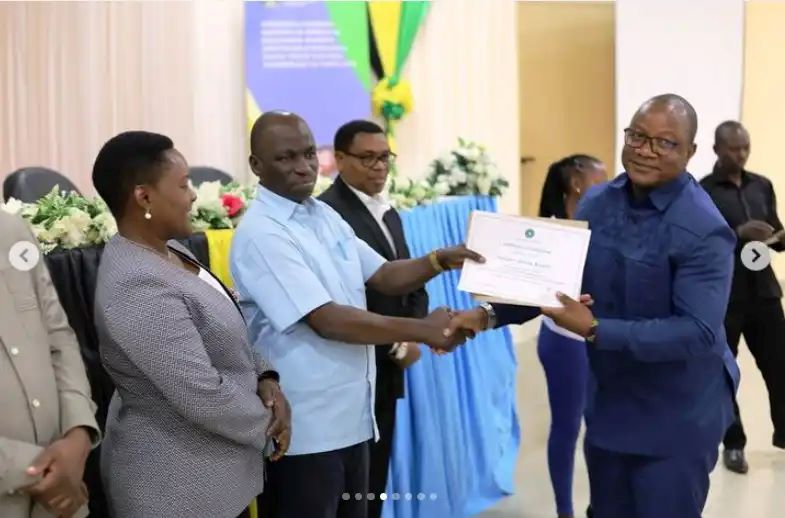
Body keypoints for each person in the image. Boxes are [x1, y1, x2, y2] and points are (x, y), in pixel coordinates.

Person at [448, 94, 739, 518]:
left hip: (677, 416)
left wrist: (596, 328)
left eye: (664, 143)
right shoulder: (598, 202)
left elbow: (698, 332)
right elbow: (553, 284)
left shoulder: (703, 229)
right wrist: (485, 315)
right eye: (637, 136)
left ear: (690, 152)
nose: (645, 150)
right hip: (610, 407)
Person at [231, 111, 480, 518]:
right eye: (286, 157)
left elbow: (383, 275)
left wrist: (438, 260)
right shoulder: (263, 233)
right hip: (305, 430)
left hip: (353, 420)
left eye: (309, 153)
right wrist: (425, 329)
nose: (303, 166)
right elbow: (328, 320)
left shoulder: (323, 215)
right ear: (256, 165)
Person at [92, 131, 291, 518]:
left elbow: (223, 331)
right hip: (177, 487)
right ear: (144, 197)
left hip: (213, 477)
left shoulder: (169, 249)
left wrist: (265, 377)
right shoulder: (137, 284)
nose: (194, 195)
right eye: (183, 185)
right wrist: (271, 422)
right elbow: (201, 393)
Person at [318, 120, 428, 518]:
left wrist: (413, 337)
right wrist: (397, 342)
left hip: (391, 366)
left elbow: (412, 283)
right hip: (356, 367)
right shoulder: (329, 214)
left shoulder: (389, 212)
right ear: (339, 159)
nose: (379, 166)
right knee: (352, 491)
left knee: (375, 480)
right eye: (367, 158)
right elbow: (339, 301)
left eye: (385, 157)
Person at [0, 211, 100, 518]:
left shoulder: (11, 230)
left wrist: (78, 435)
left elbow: (59, 336)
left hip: (60, 499)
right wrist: (35, 471)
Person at [700, 121, 785, 474]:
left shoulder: (761, 185)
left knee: (780, 366)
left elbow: (774, 226)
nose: (742, 154)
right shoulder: (702, 191)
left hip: (764, 292)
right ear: (717, 149)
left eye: (746, 147)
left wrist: (779, 237)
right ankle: (733, 444)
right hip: (725, 296)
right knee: (724, 373)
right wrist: (739, 232)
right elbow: (700, 241)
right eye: (734, 148)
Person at [537, 154, 607, 518]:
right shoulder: (552, 233)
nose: (608, 187)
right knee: (567, 426)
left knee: (601, 427)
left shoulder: (604, 226)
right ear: (577, 184)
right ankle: (564, 510)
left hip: (601, 337)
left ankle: (601, 506)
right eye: (601, 180)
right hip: (565, 342)